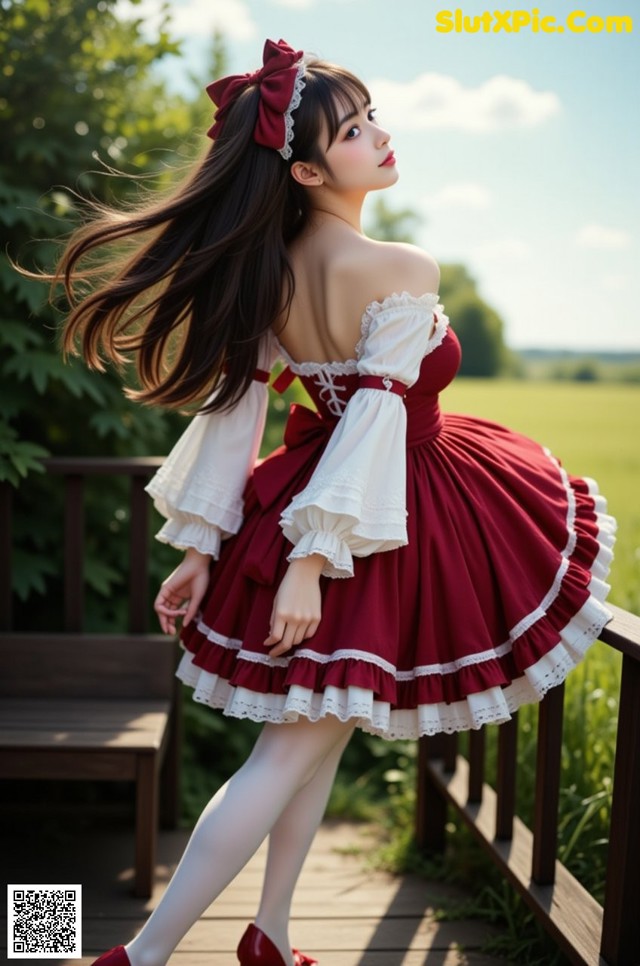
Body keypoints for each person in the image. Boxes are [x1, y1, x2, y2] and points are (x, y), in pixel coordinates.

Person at [54, 38, 616, 966]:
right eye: (354, 131)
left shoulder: (268, 270)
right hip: (375, 522)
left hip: (335, 509)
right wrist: (309, 566)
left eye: (371, 117)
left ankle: (269, 934)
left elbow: (238, 412)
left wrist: (202, 547)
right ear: (308, 168)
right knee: (285, 752)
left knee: (319, 738)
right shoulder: (398, 265)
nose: (380, 137)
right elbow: (367, 428)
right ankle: (141, 955)